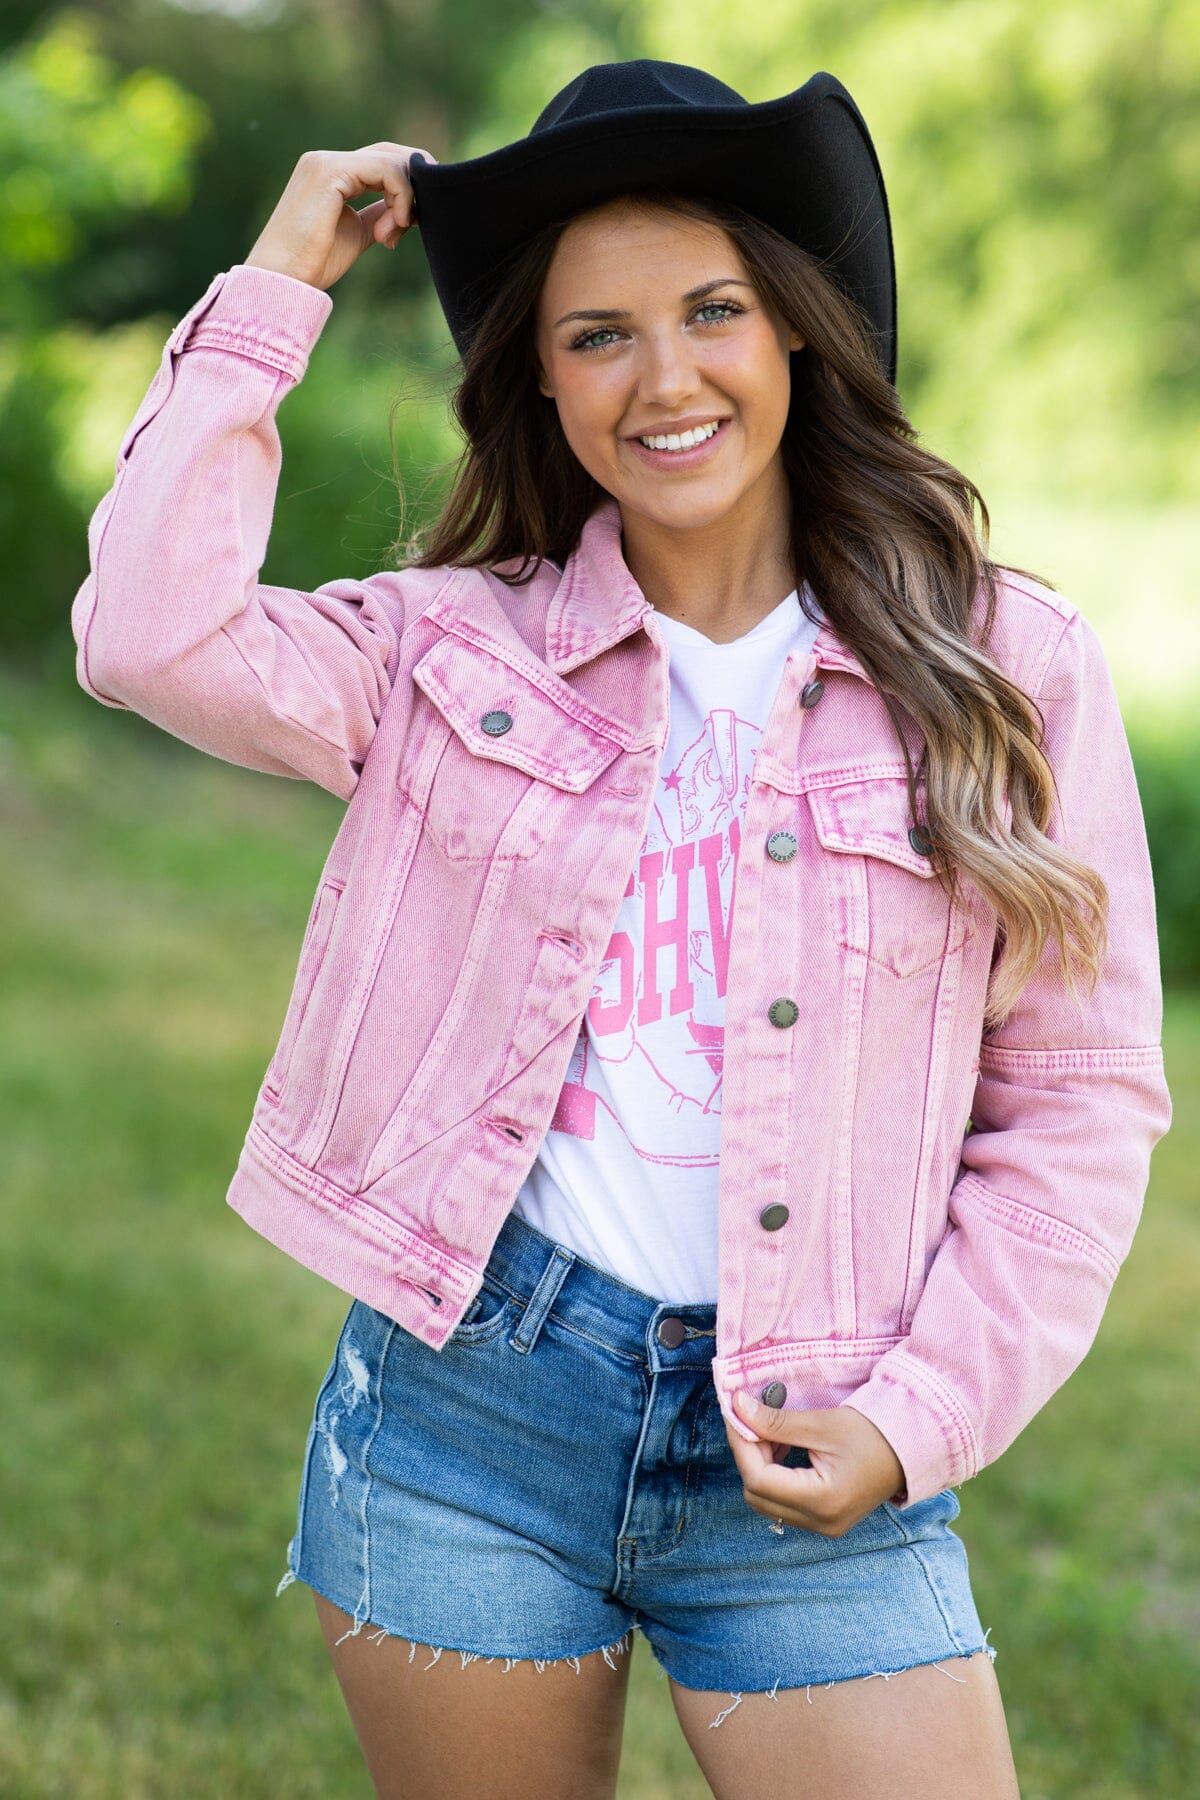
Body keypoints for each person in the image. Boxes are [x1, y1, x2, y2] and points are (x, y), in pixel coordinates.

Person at [71, 57, 1170, 1800]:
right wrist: (280, 280)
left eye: (712, 311)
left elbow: (1080, 1101)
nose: (666, 380)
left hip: (817, 1431)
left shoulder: (1005, 669)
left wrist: (921, 1416)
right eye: (598, 335)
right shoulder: (449, 649)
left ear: (794, 326)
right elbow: (145, 634)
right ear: (541, 374)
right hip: (468, 1421)